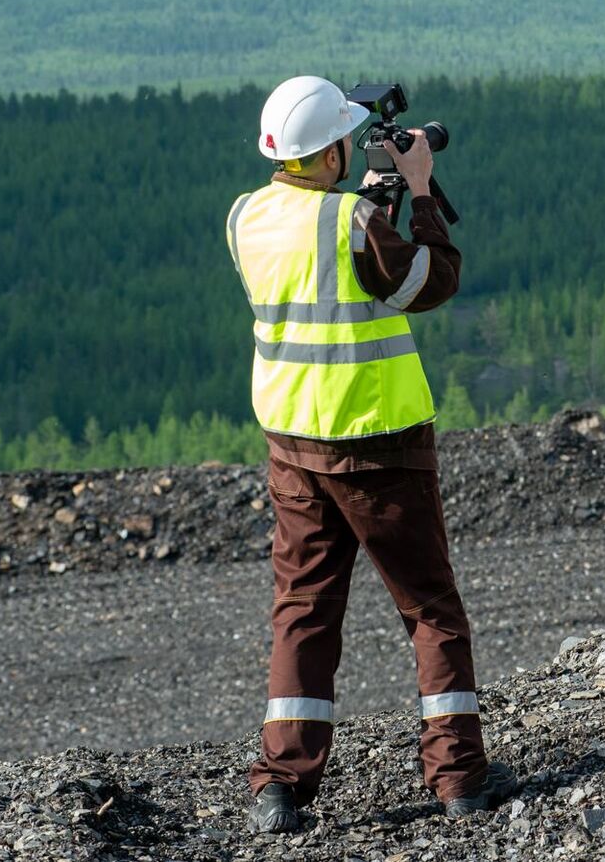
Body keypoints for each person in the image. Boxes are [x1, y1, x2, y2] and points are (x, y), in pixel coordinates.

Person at [225, 75, 511, 832]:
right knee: (430, 611)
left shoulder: (245, 217)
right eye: (345, 143)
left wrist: (370, 206)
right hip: (380, 442)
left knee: (304, 611)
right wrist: (416, 191)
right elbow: (426, 281)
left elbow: (335, 268)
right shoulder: (352, 219)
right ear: (327, 155)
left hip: (292, 443)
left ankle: (282, 783)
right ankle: (457, 778)